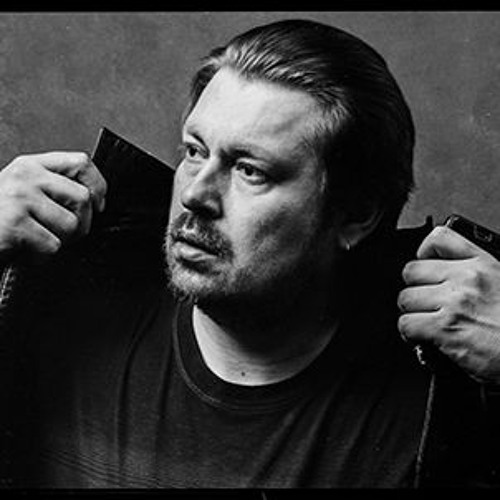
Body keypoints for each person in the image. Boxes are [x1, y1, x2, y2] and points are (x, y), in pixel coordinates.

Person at [0, 18, 499, 489]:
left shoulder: (446, 392)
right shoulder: (67, 298)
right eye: (194, 151)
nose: (194, 194)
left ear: (356, 214)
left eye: (250, 170)